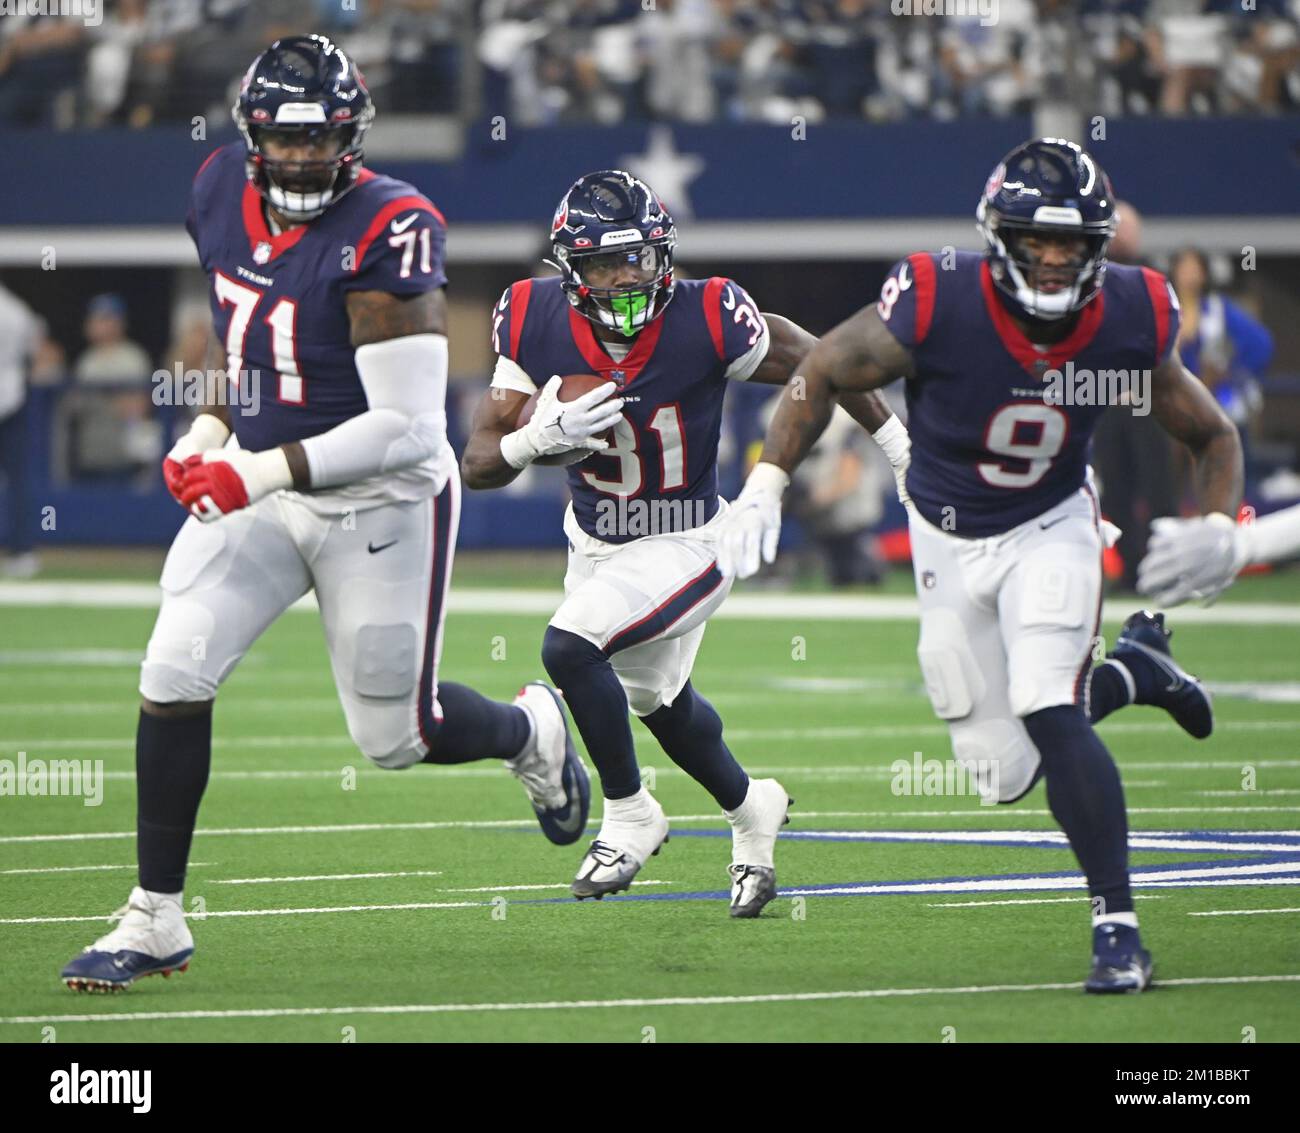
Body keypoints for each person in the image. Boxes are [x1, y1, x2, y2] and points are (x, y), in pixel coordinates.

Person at [61, 35, 588, 994]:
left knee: (397, 738)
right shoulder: (220, 187)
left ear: (353, 135)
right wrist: (206, 431)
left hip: (380, 502)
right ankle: (155, 916)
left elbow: (405, 426)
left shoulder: (392, 226)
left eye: (322, 139)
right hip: (266, 481)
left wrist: (252, 470)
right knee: (174, 665)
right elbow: (246, 339)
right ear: (252, 135)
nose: (303, 158)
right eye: (286, 139)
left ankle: (529, 733)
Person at [719, 139, 1243, 991]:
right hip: (945, 534)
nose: (1050, 261)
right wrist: (766, 483)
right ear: (997, 237)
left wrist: (1222, 524)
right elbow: (820, 368)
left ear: (1098, 248)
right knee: (1002, 771)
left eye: (1069, 245)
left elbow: (1211, 432)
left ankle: (1118, 927)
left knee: (1044, 699)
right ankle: (1137, 671)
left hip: (1053, 523)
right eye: (1034, 242)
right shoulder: (937, 297)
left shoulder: (1129, 309)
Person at [461, 170, 911, 916]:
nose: (626, 278)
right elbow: (477, 461)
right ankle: (750, 806)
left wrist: (897, 445)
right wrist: (534, 439)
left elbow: (824, 361)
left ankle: (632, 813)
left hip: (688, 538)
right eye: (604, 264)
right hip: (595, 540)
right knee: (659, 703)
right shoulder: (528, 316)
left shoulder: (707, 314)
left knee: (570, 647)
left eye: (637, 258)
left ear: (663, 253)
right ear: (571, 271)